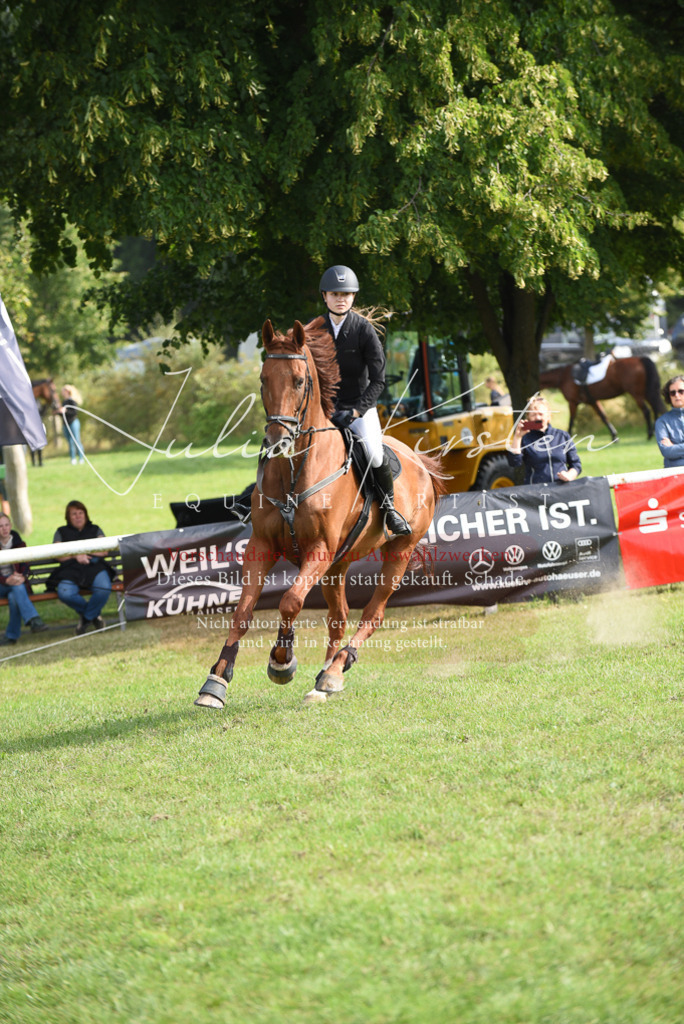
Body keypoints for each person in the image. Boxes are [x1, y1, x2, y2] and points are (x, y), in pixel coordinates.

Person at [319, 264, 410, 536]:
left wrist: (357, 412)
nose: (341, 299)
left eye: (346, 294)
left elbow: (378, 380)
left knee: (373, 452)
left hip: (358, 409)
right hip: (324, 411)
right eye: (335, 294)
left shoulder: (363, 330)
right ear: (325, 296)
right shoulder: (315, 330)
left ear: (353, 297)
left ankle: (390, 509)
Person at [47, 500, 114, 634]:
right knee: (65, 593)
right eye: (74, 514)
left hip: (94, 567)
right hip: (70, 570)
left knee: (104, 589)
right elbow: (57, 554)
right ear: (68, 517)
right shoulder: (61, 532)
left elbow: (104, 551)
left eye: (80, 513)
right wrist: (75, 556)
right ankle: (94, 616)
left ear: (85, 515)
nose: (78, 516)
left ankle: (86, 618)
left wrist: (85, 553)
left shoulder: (95, 529)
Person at [507, 393, 582, 485]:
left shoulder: (562, 436)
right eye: (533, 415)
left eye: (541, 414)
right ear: (528, 417)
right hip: (535, 489)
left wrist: (569, 475)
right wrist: (517, 437)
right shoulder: (525, 438)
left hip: (561, 488)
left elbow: (576, 464)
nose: (537, 417)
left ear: (548, 416)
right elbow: (514, 462)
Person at [0, 513, 48, 645]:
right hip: (1, 585)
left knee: (13, 597)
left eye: (6, 525)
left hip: (17, 583)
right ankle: (34, 619)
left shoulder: (19, 544)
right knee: (17, 588)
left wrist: (22, 577)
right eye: (0, 526)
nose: (4, 528)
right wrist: (5, 580)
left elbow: (26, 567)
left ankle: (11, 637)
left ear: (10, 525)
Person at [655, 374, 684, 468]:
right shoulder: (662, 422)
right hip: (674, 473)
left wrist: (674, 447)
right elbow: (666, 452)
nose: (677, 395)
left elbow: (672, 450)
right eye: (672, 393)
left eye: (681, 391)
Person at [58, 385, 84, 464]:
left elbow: (74, 412)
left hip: (73, 422)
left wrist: (66, 411)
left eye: (63, 391)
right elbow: (63, 414)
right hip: (65, 424)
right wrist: (59, 412)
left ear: (67, 391)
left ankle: (81, 458)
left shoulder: (72, 401)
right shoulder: (63, 402)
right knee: (70, 441)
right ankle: (73, 459)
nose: (62, 392)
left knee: (76, 440)